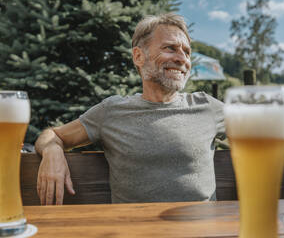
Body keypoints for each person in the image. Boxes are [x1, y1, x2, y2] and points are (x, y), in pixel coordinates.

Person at [35, 13, 225, 205]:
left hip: (201, 229)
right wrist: (52, 151)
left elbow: (254, 133)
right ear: (138, 56)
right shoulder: (111, 111)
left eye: (186, 52)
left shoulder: (207, 107)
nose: (182, 59)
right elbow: (53, 135)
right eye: (170, 48)